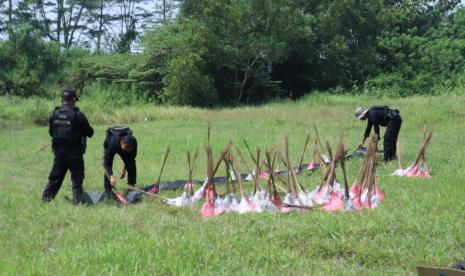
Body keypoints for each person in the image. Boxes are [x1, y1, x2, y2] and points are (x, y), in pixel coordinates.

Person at [42, 89, 94, 204]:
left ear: (61, 100)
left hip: (59, 153)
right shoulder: (78, 114)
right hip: (75, 153)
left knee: (55, 177)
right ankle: (77, 202)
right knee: (77, 178)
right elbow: (90, 133)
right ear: (73, 100)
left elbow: (51, 133)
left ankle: (45, 200)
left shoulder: (54, 114)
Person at [103, 126, 137, 197]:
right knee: (108, 168)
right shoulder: (111, 142)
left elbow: (131, 159)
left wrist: (125, 169)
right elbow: (107, 163)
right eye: (126, 148)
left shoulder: (133, 143)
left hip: (122, 145)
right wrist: (111, 176)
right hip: (112, 143)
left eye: (129, 149)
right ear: (121, 142)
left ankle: (131, 186)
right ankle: (108, 190)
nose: (128, 150)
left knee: (131, 164)